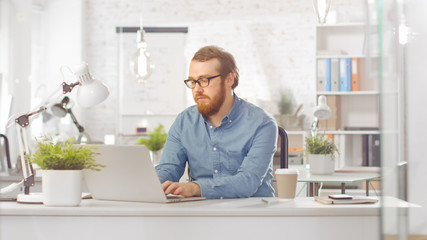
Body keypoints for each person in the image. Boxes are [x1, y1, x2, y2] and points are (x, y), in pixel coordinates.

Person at [155, 45, 278, 199]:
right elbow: (169, 169)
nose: (196, 89)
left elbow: (247, 182)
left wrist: (196, 188)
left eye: (204, 80)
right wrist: (149, 184)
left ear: (229, 79)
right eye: (192, 82)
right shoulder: (184, 122)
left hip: (252, 214)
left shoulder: (262, 123)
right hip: (203, 213)